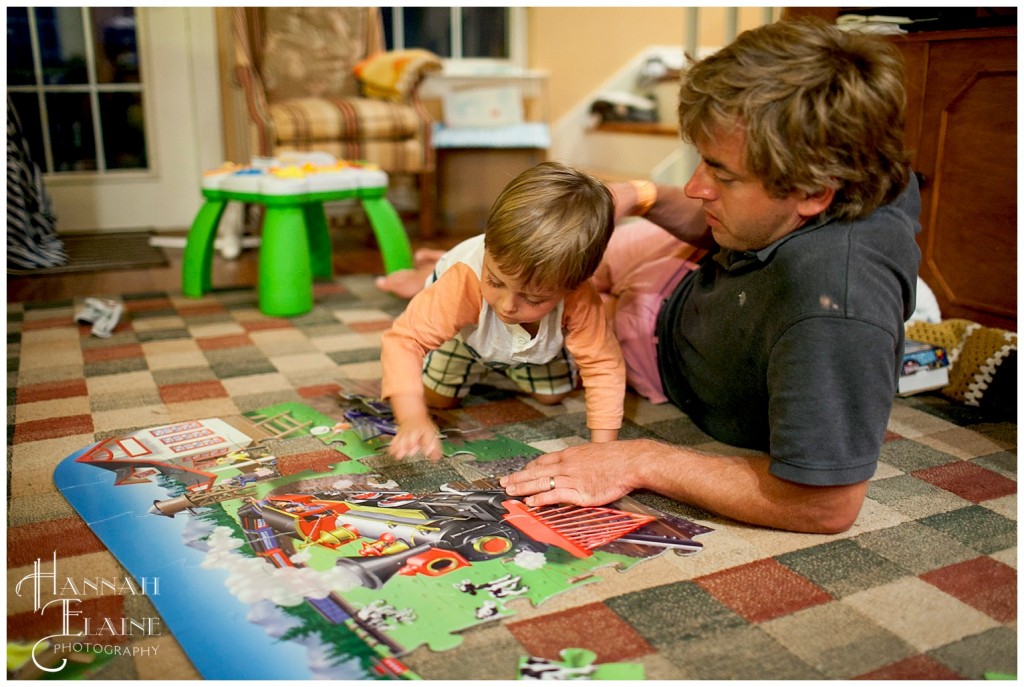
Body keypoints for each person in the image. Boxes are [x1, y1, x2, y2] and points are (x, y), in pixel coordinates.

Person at [382, 19, 922, 533]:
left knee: (552, 303)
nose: (693, 187)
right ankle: (443, 269)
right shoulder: (859, 167)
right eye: (703, 161)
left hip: (645, 326)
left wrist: (638, 458)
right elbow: (737, 221)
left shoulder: (834, 308)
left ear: (812, 191)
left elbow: (824, 506)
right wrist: (638, 196)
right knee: (501, 275)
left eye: (723, 175)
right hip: (675, 266)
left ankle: (447, 272)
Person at [380, 161, 626, 461]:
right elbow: (404, 341)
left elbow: (603, 364)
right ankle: (430, 270)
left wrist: (603, 451)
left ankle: (506, 357)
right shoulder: (462, 282)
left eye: (534, 299)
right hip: (466, 335)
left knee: (552, 397)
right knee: (436, 400)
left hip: (530, 349)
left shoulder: (581, 297)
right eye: (495, 281)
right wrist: (412, 417)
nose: (508, 306)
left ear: (572, 286)